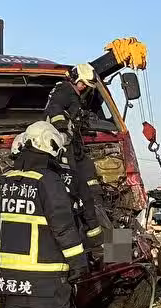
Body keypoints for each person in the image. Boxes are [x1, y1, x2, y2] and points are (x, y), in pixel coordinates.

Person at [0, 121, 88, 308]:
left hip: (11, 274)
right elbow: (63, 226)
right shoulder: (49, 181)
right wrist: (78, 262)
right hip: (45, 274)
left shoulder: (4, 181)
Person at [44, 63, 104, 248]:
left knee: (93, 189)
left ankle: (114, 253)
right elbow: (54, 110)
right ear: (76, 79)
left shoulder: (73, 94)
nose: (84, 87)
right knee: (87, 196)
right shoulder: (64, 90)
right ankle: (107, 251)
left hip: (76, 148)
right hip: (67, 148)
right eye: (83, 83)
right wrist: (62, 130)